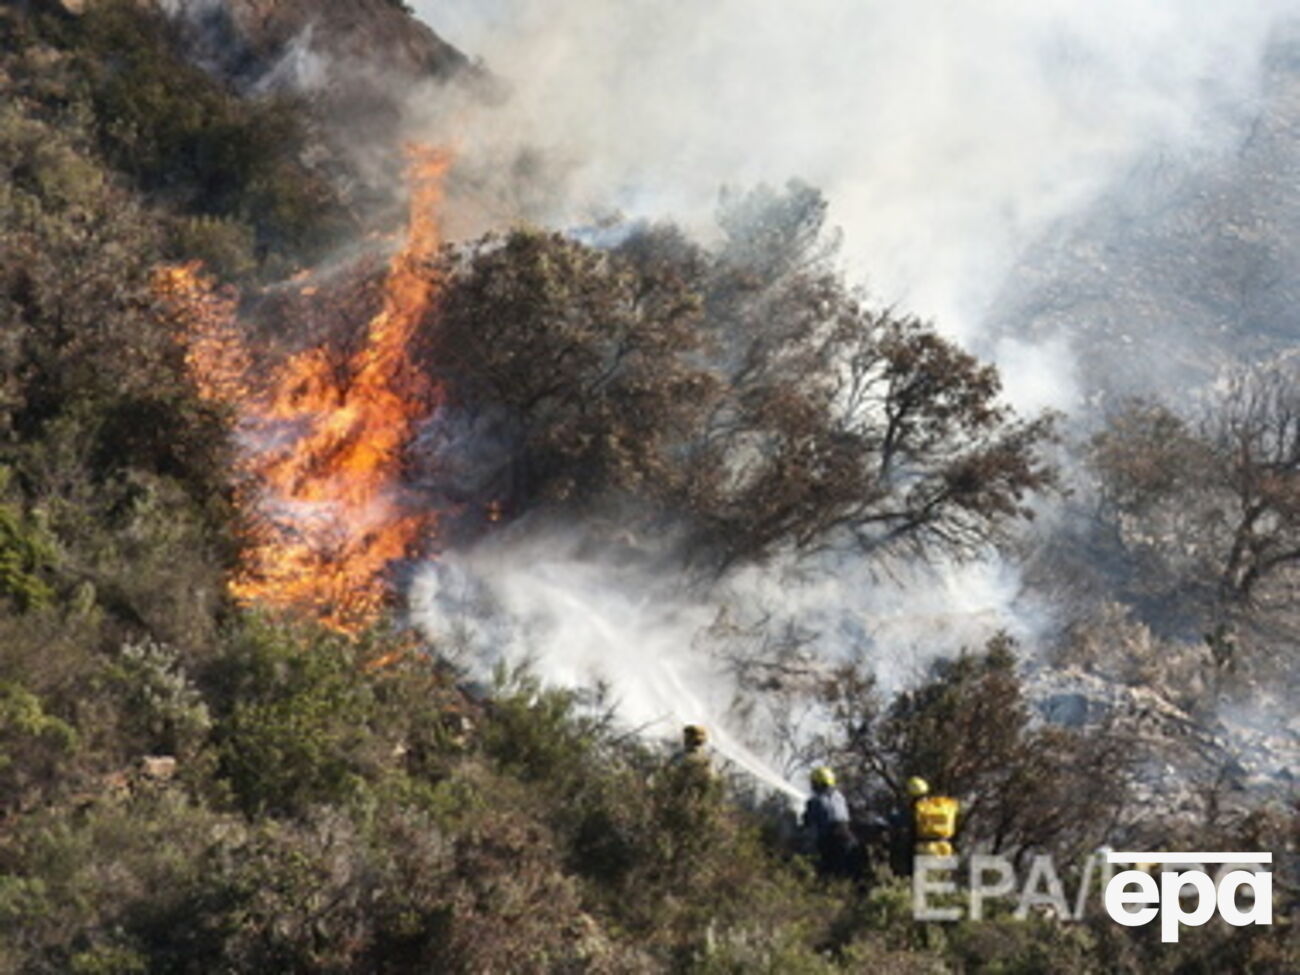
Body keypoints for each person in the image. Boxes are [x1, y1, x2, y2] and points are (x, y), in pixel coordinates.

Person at [802, 766, 861, 880]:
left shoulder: (815, 801)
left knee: (830, 875)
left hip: (831, 841)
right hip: (849, 837)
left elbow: (809, 823)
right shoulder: (839, 797)